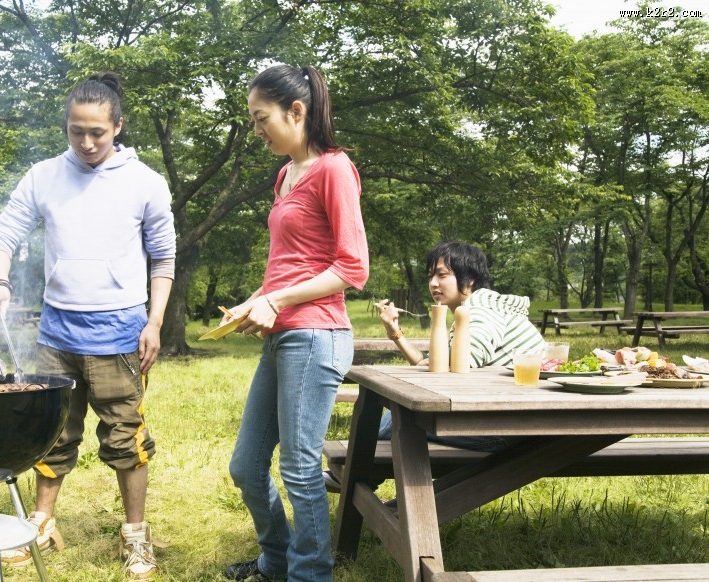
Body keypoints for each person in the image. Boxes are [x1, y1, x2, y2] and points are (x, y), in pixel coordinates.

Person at [0, 72, 176, 580]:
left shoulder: (146, 182)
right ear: (65, 127)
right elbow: (4, 233)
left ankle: (135, 535)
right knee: (50, 435)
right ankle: (41, 525)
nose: (86, 143)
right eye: (75, 131)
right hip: (57, 335)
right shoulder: (43, 175)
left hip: (121, 335)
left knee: (124, 437)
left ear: (118, 127)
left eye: (97, 133)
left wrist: (154, 322)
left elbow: (163, 259)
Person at [222, 64, 369, 582]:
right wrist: (255, 302)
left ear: (296, 110)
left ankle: (310, 575)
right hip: (285, 332)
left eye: (262, 118)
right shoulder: (286, 173)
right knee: (246, 464)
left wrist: (277, 299)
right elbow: (292, 260)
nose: (256, 129)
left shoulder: (334, 168)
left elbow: (353, 268)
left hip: (317, 335)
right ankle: (278, 560)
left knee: (300, 469)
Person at [323, 240, 544, 492]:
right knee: (398, 419)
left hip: (509, 430)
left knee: (398, 419)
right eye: (430, 276)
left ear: (469, 280)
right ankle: (355, 479)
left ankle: (353, 479)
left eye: (442, 275)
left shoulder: (480, 312)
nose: (433, 284)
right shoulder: (476, 309)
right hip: (516, 422)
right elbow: (435, 367)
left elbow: (457, 366)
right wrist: (396, 333)